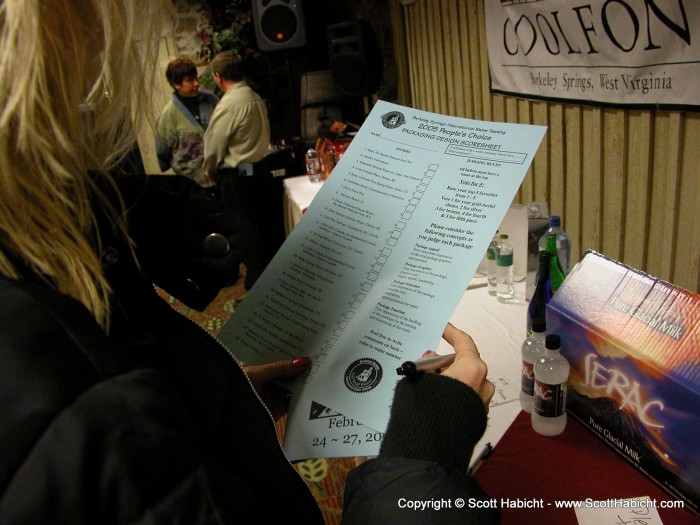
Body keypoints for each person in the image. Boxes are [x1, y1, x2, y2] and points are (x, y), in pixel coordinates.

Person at [0, 1, 497, 523]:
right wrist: (424, 461)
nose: (101, 60)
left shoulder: (47, 287)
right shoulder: (54, 391)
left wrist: (221, 410)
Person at [203, 50, 285, 288]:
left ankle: (258, 290)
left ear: (218, 77)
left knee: (247, 236)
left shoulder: (229, 104)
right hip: (259, 172)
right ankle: (269, 287)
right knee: (266, 233)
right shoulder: (255, 97)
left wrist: (210, 172)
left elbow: (213, 146)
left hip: (239, 180)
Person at [155, 57, 219, 187]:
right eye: (189, 80)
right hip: (191, 180)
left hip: (218, 172)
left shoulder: (210, 99)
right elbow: (163, 151)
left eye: (196, 78)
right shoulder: (169, 114)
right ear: (176, 84)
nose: (196, 83)